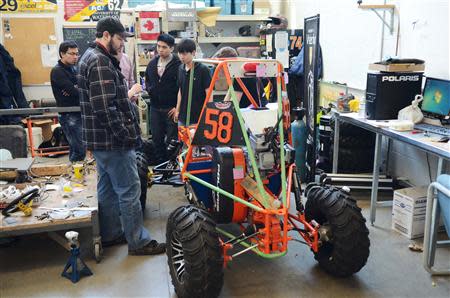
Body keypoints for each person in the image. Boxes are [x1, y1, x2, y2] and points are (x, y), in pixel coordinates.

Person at [77, 16, 165, 255]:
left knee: (106, 189)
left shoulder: (91, 57)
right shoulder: (100, 62)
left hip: (100, 142)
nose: (122, 44)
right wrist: (125, 135)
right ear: (106, 35)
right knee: (129, 191)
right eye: (119, 39)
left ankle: (111, 233)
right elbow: (105, 107)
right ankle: (138, 241)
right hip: (112, 142)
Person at [145, 34, 180, 164]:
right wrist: (150, 90)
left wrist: (178, 107)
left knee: (172, 140)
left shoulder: (178, 64)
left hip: (171, 108)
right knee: (157, 138)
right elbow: (147, 80)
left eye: (164, 47)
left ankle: (172, 165)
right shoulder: (152, 63)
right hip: (155, 108)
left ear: (171, 48)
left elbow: (183, 88)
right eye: (158, 46)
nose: (160, 50)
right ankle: (160, 165)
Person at [50, 41, 86, 162]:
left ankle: (75, 174)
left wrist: (75, 88)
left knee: (77, 148)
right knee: (79, 149)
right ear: (62, 54)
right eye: (71, 54)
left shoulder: (73, 69)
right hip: (69, 115)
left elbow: (81, 87)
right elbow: (75, 92)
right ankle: (76, 174)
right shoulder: (57, 71)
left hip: (78, 112)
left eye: (77, 54)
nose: (75, 56)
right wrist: (74, 88)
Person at [174, 38, 212, 126]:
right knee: (183, 139)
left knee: (196, 139)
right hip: (182, 116)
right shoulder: (180, 68)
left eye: (184, 54)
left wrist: (207, 115)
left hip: (198, 117)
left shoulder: (203, 70)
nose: (181, 56)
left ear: (193, 53)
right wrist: (177, 110)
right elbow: (180, 91)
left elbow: (209, 94)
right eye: (179, 53)